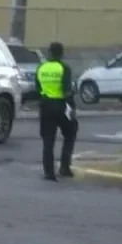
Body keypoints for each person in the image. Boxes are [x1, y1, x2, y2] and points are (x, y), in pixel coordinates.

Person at [34, 42, 78, 182]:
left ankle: (48, 172)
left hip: (45, 105)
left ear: (49, 53)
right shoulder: (64, 68)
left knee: (48, 140)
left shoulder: (41, 68)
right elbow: (67, 91)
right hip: (61, 106)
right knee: (70, 133)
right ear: (61, 53)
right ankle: (64, 167)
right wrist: (72, 108)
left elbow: (38, 88)